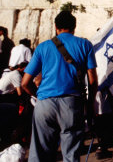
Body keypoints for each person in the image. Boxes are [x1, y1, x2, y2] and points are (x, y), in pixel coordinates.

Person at [21, 11, 98, 162]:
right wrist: (89, 103)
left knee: (40, 153)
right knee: (70, 154)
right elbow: (92, 79)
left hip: (45, 104)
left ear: (56, 27)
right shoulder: (85, 45)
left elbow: (24, 83)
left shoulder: (43, 47)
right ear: (74, 27)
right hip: (71, 103)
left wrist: (38, 95)